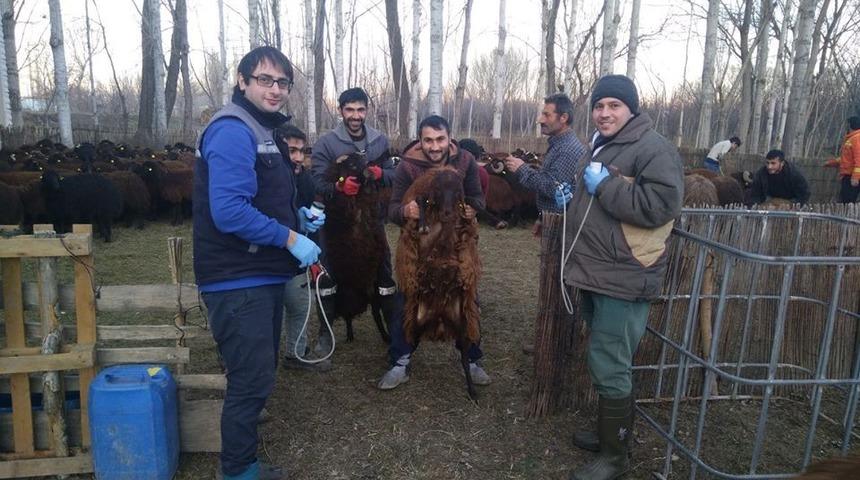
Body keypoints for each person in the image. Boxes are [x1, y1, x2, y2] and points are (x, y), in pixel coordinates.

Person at [193, 46, 323, 480]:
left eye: (283, 82)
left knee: (258, 375)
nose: (275, 89)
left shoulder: (265, 130)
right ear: (242, 80)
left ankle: (242, 463)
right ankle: (237, 472)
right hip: (236, 277)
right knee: (250, 381)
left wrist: (297, 217)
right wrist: (290, 238)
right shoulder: (233, 128)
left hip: (258, 273)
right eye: (264, 79)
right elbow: (228, 210)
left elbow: (261, 197)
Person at [561, 74, 684, 480]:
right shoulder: (603, 142)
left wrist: (608, 185)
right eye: (599, 106)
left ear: (632, 108)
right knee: (606, 357)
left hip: (625, 275)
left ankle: (614, 458)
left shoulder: (653, 149)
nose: (604, 113)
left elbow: (661, 206)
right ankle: (609, 435)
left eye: (614, 105)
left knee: (610, 363)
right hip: (599, 270)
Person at [379, 115, 491, 390]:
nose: (434, 146)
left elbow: (478, 199)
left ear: (449, 138)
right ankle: (400, 362)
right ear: (420, 141)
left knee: (467, 301)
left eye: (440, 139)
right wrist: (405, 211)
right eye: (428, 140)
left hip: (457, 246)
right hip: (420, 248)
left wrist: (473, 207)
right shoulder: (407, 167)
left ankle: (472, 359)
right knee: (406, 300)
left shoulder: (465, 162)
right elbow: (392, 210)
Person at [310, 87, 401, 356]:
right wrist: (338, 185)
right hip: (337, 225)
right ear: (341, 111)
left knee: (383, 272)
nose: (355, 115)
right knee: (327, 274)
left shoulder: (378, 141)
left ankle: (393, 331)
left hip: (371, 221)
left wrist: (379, 172)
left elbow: (395, 174)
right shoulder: (327, 143)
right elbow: (315, 180)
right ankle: (325, 335)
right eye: (349, 110)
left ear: (366, 111)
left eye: (360, 110)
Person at [275, 125, 332, 372]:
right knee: (269, 318)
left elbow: (313, 206)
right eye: (291, 151)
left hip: (298, 259)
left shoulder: (304, 178)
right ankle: (258, 367)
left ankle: (295, 354)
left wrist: (313, 220)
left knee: (299, 307)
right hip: (268, 260)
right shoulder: (267, 180)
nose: (298, 157)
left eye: (302, 151)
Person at [503, 93, 587, 218]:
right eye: (542, 114)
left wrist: (521, 168)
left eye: (547, 115)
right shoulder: (559, 145)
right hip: (551, 220)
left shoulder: (568, 150)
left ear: (563, 118)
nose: (540, 120)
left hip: (561, 226)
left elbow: (553, 188)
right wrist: (542, 219)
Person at [824, 116, 860, 203]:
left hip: (851, 176)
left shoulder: (856, 138)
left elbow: (859, 159)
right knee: (845, 200)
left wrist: (855, 177)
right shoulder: (852, 138)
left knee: (848, 202)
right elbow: (846, 159)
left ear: (850, 126)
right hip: (848, 175)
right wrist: (831, 163)